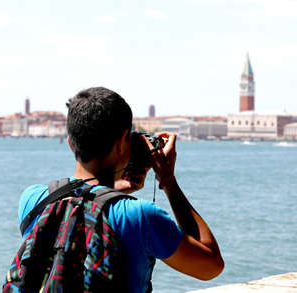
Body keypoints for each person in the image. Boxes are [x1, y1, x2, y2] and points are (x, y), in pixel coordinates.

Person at [18, 87, 224, 292]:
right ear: (120, 144)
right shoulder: (141, 216)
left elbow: (81, 203)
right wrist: (168, 180)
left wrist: (115, 188)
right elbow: (211, 266)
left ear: (71, 143)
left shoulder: (33, 199)